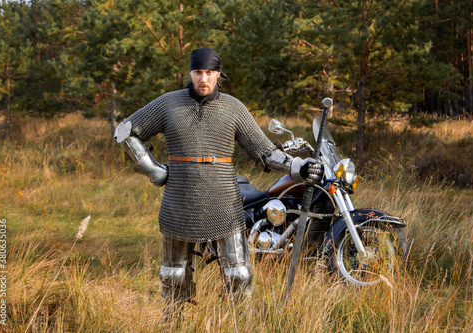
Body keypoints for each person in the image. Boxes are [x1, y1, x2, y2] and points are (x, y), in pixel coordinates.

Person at [114, 47, 323, 310]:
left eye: (210, 72)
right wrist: (152, 168)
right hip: (181, 199)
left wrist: (298, 167)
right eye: (198, 72)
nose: (204, 78)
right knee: (173, 274)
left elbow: (264, 151)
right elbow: (126, 130)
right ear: (190, 72)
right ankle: (174, 323)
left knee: (238, 275)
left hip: (223, 199)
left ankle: (238, 323)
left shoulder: (233, 108)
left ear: (218, 75)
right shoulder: (169, 103)